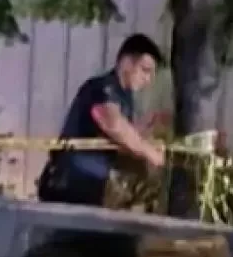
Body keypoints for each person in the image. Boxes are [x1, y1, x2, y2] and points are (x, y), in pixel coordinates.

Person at [37, 33, 167, 206]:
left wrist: (148, 141)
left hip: (93, 184)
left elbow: (123, 140)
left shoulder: (125, 97)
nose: (148, 79)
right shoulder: (102, 87)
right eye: (145, 70)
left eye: (152, 74)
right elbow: (111, 122)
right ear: (126, 62)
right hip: (69, 181)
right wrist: (149, 151)